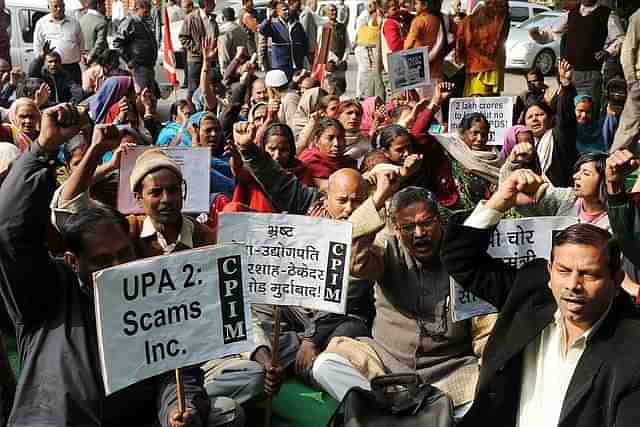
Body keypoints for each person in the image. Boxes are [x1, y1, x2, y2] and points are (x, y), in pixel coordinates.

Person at [0, 105, 219, 426]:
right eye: (102, 260)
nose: (116, 266)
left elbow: (178, 370)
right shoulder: (47, 294)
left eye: (122, 254)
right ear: (73, 261)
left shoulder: (153, 293)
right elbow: (8, 229)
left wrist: (177, 409)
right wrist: (41, 149)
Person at [441, 168, 640, 427]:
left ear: (615, 280)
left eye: (589, 275)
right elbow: (460, 260)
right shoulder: (531, 294)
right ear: (549, 272)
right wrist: (500, 202)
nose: (573, 285)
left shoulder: (632, 347)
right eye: (564, 271)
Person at [313, 185, 496, 419]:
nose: (419, 233)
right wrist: (378, 196)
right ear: (397, 230)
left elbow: (485, 326)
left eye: (426, 223)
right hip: (385, 366)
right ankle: (394, 416)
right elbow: (356, 261)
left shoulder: (459, 256)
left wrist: (491, 361)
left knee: (489, 390)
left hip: (449, 373)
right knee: (327, 365)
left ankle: (395, 418)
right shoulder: (387, 248)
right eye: (408, 227)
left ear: (439, 221)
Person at [529, 0, 624, 120]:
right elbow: (551, 33)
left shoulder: (607, 14)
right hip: (568, 75)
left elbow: (620, 39)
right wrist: (536, 35)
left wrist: (608, 51)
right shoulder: (571, 13)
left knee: (587, 115)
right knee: (567, 113)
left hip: (590, 76)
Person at [500, 152, 610, 229]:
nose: (576, 176)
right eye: (578, 171)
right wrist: (513, 163)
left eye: (586, 173)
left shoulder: (616, 219)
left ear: (605, 180)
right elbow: (509, 193)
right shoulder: (566, 199)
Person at [230, 122, 312, 213]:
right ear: (263, 148)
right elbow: (241, 172)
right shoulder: (254, 167)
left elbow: (303, 203)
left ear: (291, 150)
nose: (277, 155)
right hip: (255, 221)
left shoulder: (301, 170)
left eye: (283, 150)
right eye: (272, 149)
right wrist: (238, 157)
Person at [454, 0, 509, 96]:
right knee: (488, 101)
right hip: (490, 64)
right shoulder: (502, 12)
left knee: (478, 100)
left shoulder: (495, 11)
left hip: (481, 65)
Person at [610, 8, 640, 152]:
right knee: (628, 131)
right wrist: (632, 82)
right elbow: (627, 51)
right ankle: (610, 169)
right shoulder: (638, 17)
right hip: (638, 83)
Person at [113, 0, 159, 96]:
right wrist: (128, 60)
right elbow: (117, 43)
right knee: (142, 95)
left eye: (148, 12)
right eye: (145, 12)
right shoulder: (130, 22)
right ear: (137, 9)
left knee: (150, 95)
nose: (147, 14)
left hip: (148, 66)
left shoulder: (144, 23)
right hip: (138, 67)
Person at [298, 117, 357, 191]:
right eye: (330, 138)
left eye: (340, 138)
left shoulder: (347, 162)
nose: (337, 144)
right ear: (317, 140)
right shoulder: (309, 162)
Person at [33, 0, 84, 84]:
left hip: (72, 68)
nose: (59, 9)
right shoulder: (41, 23)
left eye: (62, 6)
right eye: (55, 6)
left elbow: (81, 43)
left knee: (76, 93)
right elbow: (37, 47)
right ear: (49, 7)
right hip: (52, 69)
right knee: (55, 94)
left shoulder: (74, 23)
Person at [259, 0, 310, 79]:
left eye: (287, 9)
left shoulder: (297, 24)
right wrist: (269, 18)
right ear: (278, 12)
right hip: (280, 66)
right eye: (284, 10)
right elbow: (262, 30)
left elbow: (304, 41)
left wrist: (303, 56)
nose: (287, 12)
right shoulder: (273, 25)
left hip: (297, 65)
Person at [179, 0, 220, 100]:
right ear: (206, 3)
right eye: (212, 3)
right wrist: (199, 49)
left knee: (209, 86)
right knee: (194, 88)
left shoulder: (212, 19)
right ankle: (191, 111)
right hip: (196, 60)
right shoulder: (191, 18)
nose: (215, 5)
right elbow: (183, 38)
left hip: (211, 59)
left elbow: (216, 37)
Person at [403, 0, 446, 83]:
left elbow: (407, 45)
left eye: (416, 3)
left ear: (425, 5)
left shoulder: (418, 21)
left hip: (420, 70)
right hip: (437, 70)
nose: (414, 6)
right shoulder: (437, 20)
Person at [318, 4, 350, 74]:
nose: (335, 12)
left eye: (336, 10)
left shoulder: (342, 27)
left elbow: (348, 45)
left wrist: (344, 59)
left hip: (341, 64)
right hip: (329, 63)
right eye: (332, 10)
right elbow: (322, 47)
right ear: (326, 13)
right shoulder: (324, 27)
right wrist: (336, 59)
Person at [218, 8, 250, 72]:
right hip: (243, 64)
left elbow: (223, 51)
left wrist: (223, 68)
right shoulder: (241, 29)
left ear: (223, 18)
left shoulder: (223, 31)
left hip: (231, 66)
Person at [79, 0, 108, 66]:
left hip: (83, 59)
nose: (105, 8)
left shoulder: (81, 20)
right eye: (104, 5)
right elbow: (100, 42)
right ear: (98, 5)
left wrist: (81, 55)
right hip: (97, 60)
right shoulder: (101, 22)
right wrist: (91, 56)